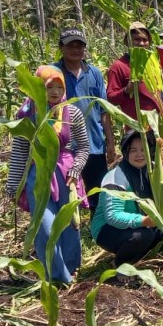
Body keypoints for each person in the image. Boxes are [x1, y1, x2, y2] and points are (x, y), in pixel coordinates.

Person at [6, 65, 89, 284]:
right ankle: (56, 276)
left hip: (66, 174)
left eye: (58, 86)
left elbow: (83, 147)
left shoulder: (73, 112)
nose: (54, 92)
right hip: (39, 174)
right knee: (44, 226)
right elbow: (20, 151)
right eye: (48, 86)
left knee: (69, 223)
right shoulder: (27, 115)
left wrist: (76, 169)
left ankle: (71, 267)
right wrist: (13, 185)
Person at [54, 27, 116, 214]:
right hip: (64, 146)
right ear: (61, 48)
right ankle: (71, 223)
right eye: (70, 45)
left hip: (94, 142)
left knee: (97, 188)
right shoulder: (54, 72)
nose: (75, 49)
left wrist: (111, 142)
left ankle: (96, 226)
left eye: (79, 45)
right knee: (68, 187)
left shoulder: (94, 73)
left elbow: (104, 110)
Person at [91, 130, 163, 266]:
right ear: (125, 152)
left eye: (143, 150)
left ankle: (144, 254)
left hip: (145, 223)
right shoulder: (116, 176)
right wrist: (143, 221)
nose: (140, 154)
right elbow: (112, 216)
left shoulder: (153, 169)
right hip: (108, 229)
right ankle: (121, 264)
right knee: (141, 237)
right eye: (133, 150)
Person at [106, 21, 163, 120]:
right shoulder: (118, 67)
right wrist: (126, 90)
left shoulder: (154, 64)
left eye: (145, 40)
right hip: (138, 129)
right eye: (137, 39)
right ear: (128, 41)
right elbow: (111, 99)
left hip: (161, 124)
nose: (142, 43)